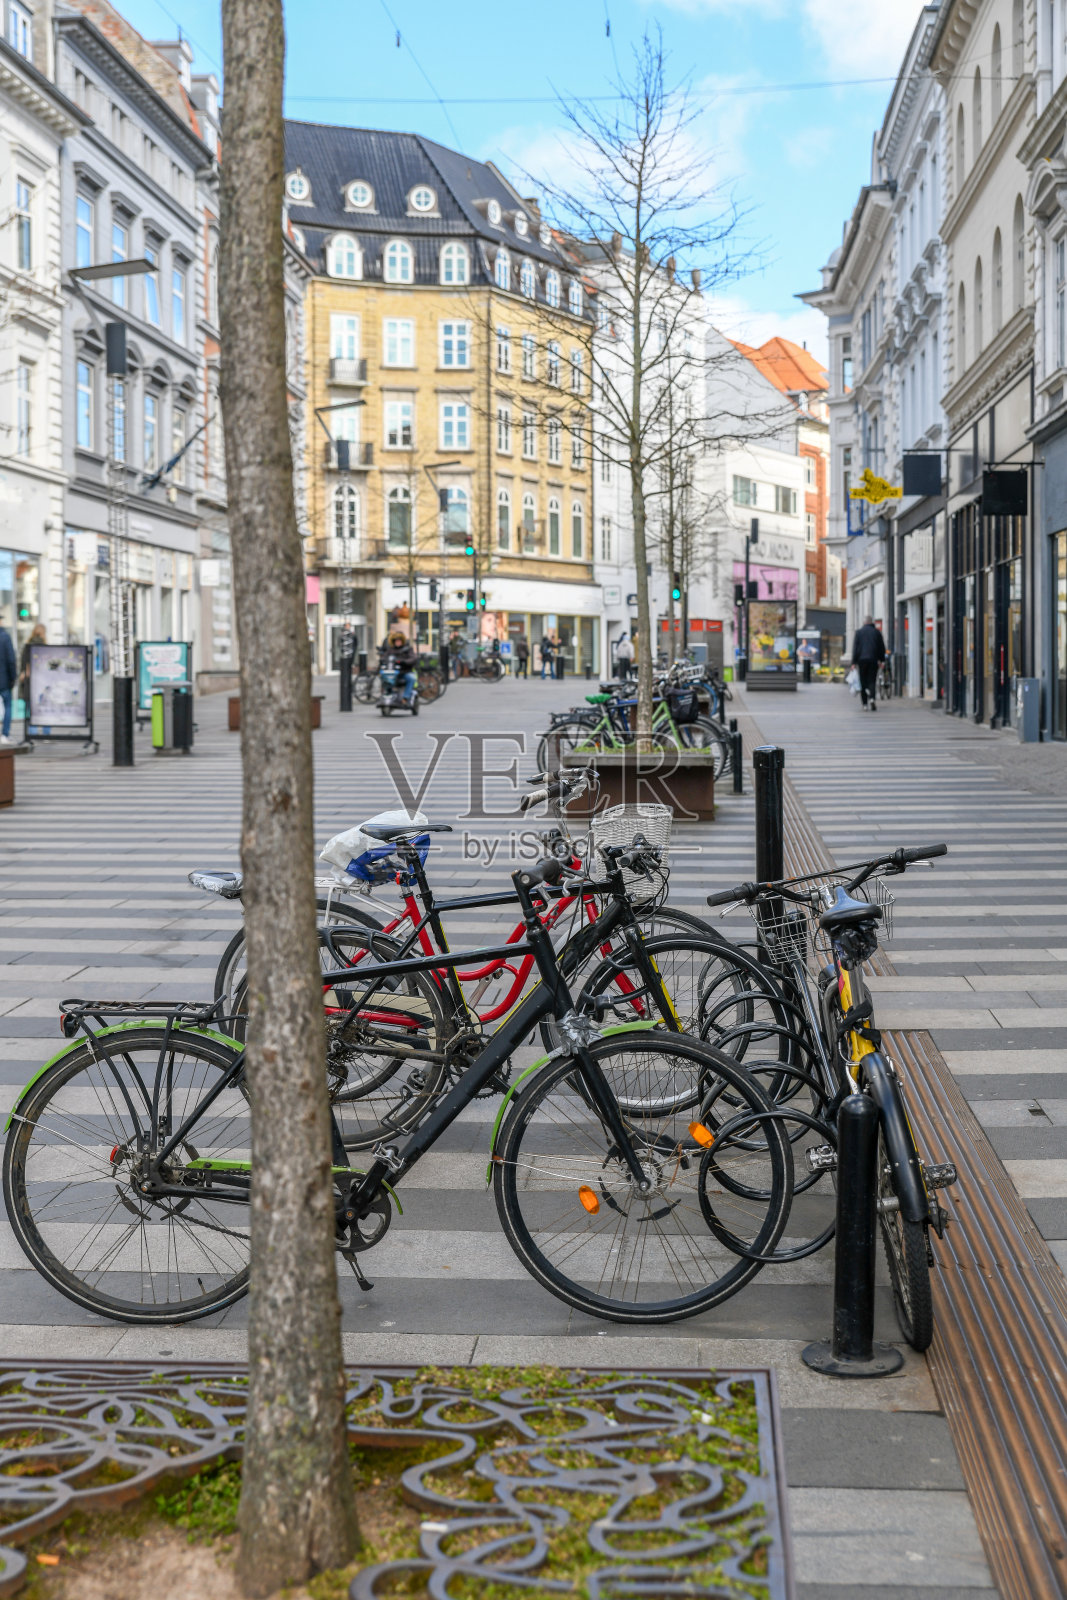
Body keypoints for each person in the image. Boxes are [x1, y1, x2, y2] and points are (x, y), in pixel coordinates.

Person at [851, 613, 887, 711]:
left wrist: (853, 662)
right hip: (873, 660)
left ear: (864, 622)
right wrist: (882, 660)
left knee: (863, 681)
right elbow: (881, 648)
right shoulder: (877, 632)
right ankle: (872, 698)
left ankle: (865, 704)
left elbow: (855, 648)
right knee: (872, 680)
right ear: (871, 622)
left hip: (862, 660)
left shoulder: (859, 632)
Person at [380, 627, 417, 705]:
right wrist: (382, 660)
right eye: (396, 641)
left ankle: (405, 698)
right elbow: (384, 657)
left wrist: (404, 662)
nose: (398, 642)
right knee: (384, 678)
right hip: (393, 672)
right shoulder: (391, 650)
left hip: (405, 672)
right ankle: (387, 695)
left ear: (402, 641)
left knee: (411, 678)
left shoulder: (408, 649)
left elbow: (413, 658)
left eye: (399, 641)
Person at [18, 622, 45, 715]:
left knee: (28, 705)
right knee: (40, 703)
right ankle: (42, 724)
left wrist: (23, 672)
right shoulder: (44, 646)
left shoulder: (28, 645)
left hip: (28, 678)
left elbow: (23, 661)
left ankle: (29, 723)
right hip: (40, 679)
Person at [0, 621, 16, 744]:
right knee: (8, 707)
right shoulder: (5, 637)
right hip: (4, 679)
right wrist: (13, 677)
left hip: (4, 678)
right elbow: (11, 660)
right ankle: (4, 734)